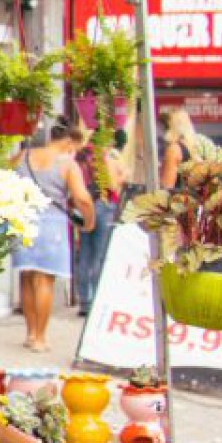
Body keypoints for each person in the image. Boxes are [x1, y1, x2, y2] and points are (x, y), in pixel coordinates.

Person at [12, 118, 94, 353]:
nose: (73, 152)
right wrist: (88, 222)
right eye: (73, 147)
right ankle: (40, 337)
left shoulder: (22, 156)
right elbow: (83, 198)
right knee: (44, 280)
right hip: (51, 226)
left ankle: (29, 333)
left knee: (26, 278)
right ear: (68, 141)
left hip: (23, 221)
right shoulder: (66, 164)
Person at [71, 129, 126, 315]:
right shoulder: (103, 157)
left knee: (85, 253)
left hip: (83, 207)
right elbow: (111, 184)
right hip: (103, 206)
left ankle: (84, 301)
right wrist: (121, 176)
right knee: (100, 255)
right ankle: (97, 300)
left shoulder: (79, 156)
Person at [161, 109, 221, 191]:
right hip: (205, 199)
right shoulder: (202, 142)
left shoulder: (174, 150)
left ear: (169, 126)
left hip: (183, 201)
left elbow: (166, 189)